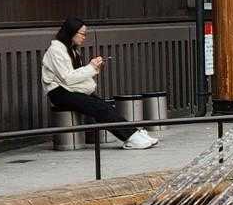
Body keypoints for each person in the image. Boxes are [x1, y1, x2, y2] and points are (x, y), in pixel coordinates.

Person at [42, 18, 158, 149]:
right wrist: (91, 67)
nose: (84, 37)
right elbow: (68, 78)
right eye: (82, 34)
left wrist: (92, 67)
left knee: (104, 106)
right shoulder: (56, 50)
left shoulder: (71, 50)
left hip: (69, 89)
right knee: (100, 108)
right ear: (71, 32)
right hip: (59, 92)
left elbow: (74, 75)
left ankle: (134, 134)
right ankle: (132, 138)